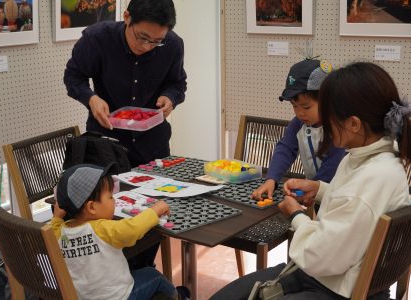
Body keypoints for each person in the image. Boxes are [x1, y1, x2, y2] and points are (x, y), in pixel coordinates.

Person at [211, 62, 411, 299]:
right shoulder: (377, 157)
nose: (323, 124)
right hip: (336, 274)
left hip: (336, 285)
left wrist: (296, 216)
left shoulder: (370, 176)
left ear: (354, 124)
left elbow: (318, 257)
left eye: (328, 116)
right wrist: (319, 189)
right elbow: (358, 208)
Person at [64, 0, 187, 168]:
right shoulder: (97, 39)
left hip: (153, 146)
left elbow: (177, 83)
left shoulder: (173, 45)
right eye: (142, 37)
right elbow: (73, 76)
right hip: (106, 146)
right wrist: (91, 99)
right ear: (127, 17)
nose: (147, 47)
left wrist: (170, 97)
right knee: (109, 195)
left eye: (156, 41)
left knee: (156, 194)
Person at [50, 163, 190, 300]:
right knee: (152, 275)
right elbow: (132, 229)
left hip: (84, 297)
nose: (114, 201)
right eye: (110, 197)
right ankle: (178, 296)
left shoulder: (61, 233)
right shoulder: (102, 229)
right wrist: (156, 210)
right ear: (92, 207)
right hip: (121, 297)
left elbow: (53, 229)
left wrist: (56, 217)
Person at [252, 59, 346, 201]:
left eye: (306, 107)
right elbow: (286, 149)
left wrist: (312, 188)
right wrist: (271, 179)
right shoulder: (297, 124)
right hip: (314, 191)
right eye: (294, 106)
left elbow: (333, 165)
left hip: (339, 195)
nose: (300, 113)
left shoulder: (337, 128)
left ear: (327, 99)